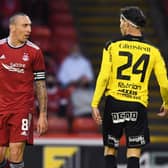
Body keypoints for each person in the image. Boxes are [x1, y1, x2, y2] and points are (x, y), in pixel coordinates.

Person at [91, 6, 168, 168]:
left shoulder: (112, 46)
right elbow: (164, 84)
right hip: (137, 104)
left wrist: (95, 103)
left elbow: (104, 76)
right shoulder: (153, 51)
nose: (120, 25)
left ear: (127, 23)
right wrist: (166, 103)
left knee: (110, 149)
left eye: (121, 21)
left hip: (114, 102)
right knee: (134, 152)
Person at [0, 13, 48, 168]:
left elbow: (40, 84)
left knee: (15, 152)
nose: (29, 30)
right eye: (25, 25)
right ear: (12, 27)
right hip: (1, 107)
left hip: (22, 108)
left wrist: (43, 114)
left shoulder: (35, 52)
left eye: (30, 26)